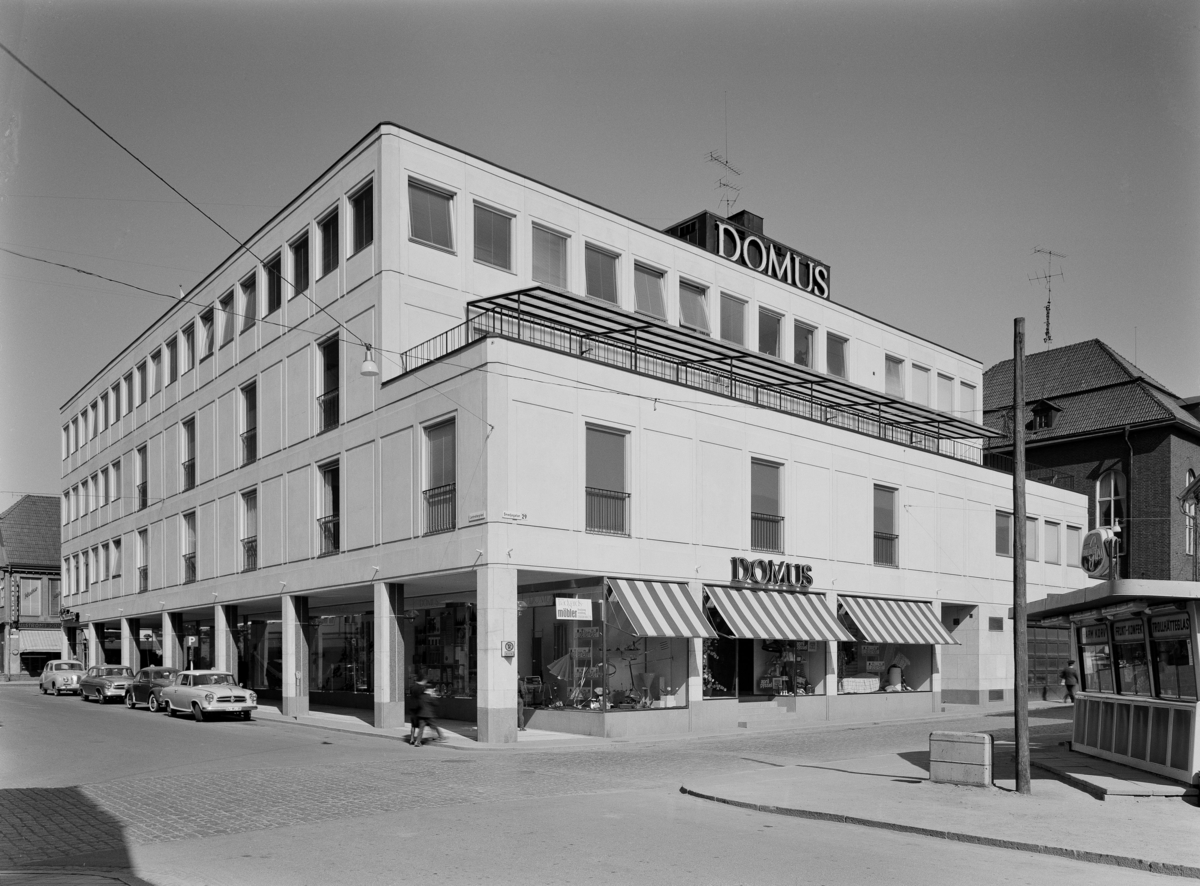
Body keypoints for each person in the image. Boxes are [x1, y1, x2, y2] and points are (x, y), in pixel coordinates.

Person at [413, 675, 446, 746]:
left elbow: (419, 704)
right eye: (431, 690)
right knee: (434, 726)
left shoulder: (421, 696)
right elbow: (436, 704)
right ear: (429, 690)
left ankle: (418, 742)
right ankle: (441, 737)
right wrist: (434, 696)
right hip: (429, 715)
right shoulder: (429, 697)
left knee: (421, 729)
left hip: (421, 715)